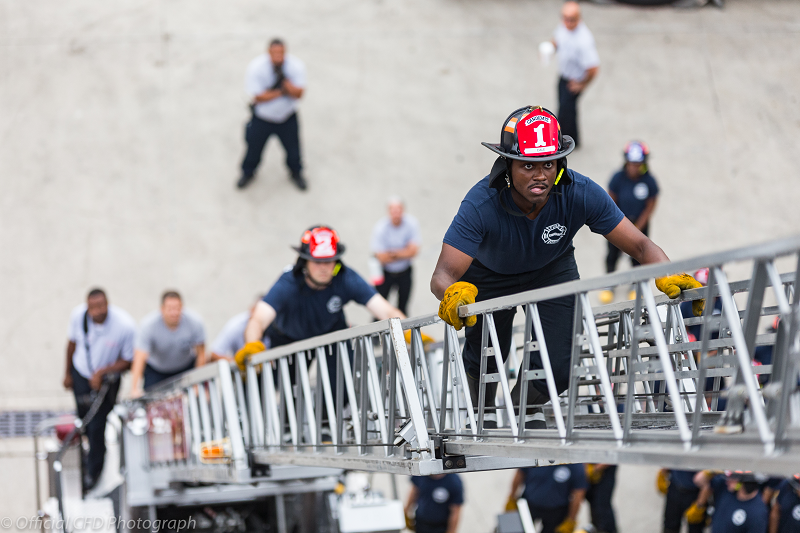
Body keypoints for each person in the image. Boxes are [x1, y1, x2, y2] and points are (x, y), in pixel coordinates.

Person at [430, 106, 704, 423]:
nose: (539, 174)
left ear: (560, 163)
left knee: (560, 363)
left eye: (548, 164)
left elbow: (641, 244)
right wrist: (451, 293)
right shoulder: (481, 203)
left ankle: (523, 407)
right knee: (487, 352)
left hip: (552, 270)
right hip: (489, 276)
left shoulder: (579, 193)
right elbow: (443, 274)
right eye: (527, 165)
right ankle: (483, 412)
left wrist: (666, 271)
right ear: (507, 164)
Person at [235, 226, 406, 374]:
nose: (324, 267)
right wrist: (253, 345)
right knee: (289, 391)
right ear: (304, 262)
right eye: (317, 261)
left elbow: (386, 310)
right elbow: (258, 319)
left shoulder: (346, 278)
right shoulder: (289, 281)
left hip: (331, 335)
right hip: (289, 339)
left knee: (341, 386)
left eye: (329, 261)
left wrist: (409, 332)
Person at [63, 288, 136, 491]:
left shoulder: (124, 325)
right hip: (82, 372)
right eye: (92, 307)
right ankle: (92, 452)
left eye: (101, 306)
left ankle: (94, 471)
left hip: (107, 381)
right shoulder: (78, 317)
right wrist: (68, 373)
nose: (97, 311)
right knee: (84, 419)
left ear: (108, 304)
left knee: (97, 425)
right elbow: (71, 344)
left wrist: (103, 372)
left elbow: (129, 361)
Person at [238, 38, 307, 190]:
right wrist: (283, 90)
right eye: (274, 53)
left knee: (294, 150)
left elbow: (299, 93)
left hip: (287, 117)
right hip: (262, 118)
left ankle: (296, 172)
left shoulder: (295, 66)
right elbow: (258, 97)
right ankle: (248, 172)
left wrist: (285, 89)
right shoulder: (256, 67)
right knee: (253, 149)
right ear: (268, 52)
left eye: (281, 53)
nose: (278, 57)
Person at [598, 141, 659, 304]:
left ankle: (635, 285)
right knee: (612, 255)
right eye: (632, 163)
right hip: (617, 225)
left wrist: (638, 226)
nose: (634, 167)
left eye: (638, 164)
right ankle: (609, 284)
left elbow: (650, 205)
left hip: (640, 226)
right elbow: (610, 201)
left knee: (639, 256)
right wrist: (620, 225)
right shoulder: (617, 179)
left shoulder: (649, 181)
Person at [131, 291, 206, 395]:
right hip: (156, 370)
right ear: (161, 309)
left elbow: (201, 354)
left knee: (199, 395)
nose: (174, 313)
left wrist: (197, 382)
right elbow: (140, 357)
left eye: (177, 308)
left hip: (185, 367)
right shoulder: (148, 326)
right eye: (170, 309)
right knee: (150, 401)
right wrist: (134, 388)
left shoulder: (195, 322)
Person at [551, 1, 599, 147]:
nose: (567, 22)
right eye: (565, 18)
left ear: (578, 19)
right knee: (566, 110)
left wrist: (582, 84)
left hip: (574, 81)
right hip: (563, 76)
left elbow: (593, 68)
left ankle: (565, 143)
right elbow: (556, 40)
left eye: (571, 19)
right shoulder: (563, 27)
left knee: (566, 113)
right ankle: (569, 140)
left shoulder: (583, 41)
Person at [371, 197, 422, 316]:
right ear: (388, 211)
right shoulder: (380, 227)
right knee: (378, 308)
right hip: (385, 273)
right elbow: (381, 257)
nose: (396, 213)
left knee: (403, 308)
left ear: (403, 210)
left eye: (398, 209)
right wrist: (404, 252)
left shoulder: (411, 224)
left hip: (405, 272)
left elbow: (414, 251)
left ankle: (404, 334)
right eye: (393, 210)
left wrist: (392, 253)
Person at [507, 465, 588, 533]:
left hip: (556, 512)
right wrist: (512, 498)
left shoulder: (574, 464)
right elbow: (519, 475)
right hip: (529, 505)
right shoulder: (534, 456)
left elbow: (579, 494)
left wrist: (571, 520)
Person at [693, 470, 769, 533]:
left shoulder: (757, 512)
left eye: (732, 478)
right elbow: (699, 480)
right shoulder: (725, 489)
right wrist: (712, 471)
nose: (727, 481)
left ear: (744, 482)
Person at [209, 298, 270, 363]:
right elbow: (214, 354)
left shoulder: (274, 325)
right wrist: (238, 362)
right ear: (251, 309)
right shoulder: (236, 326)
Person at [658, 469, 706, 533]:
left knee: (695, 528)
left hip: (695, 493)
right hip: (675, 487)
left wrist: (700, 504)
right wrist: (663, 472)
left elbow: (709, 477)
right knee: (670, 527)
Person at [584, 464, 617, 533]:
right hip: (590, 467)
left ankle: (606, 530)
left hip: (605, 469)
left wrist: (596, 468)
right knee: (592, 500)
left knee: (601, 504)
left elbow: (613, 455)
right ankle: (596, 527)